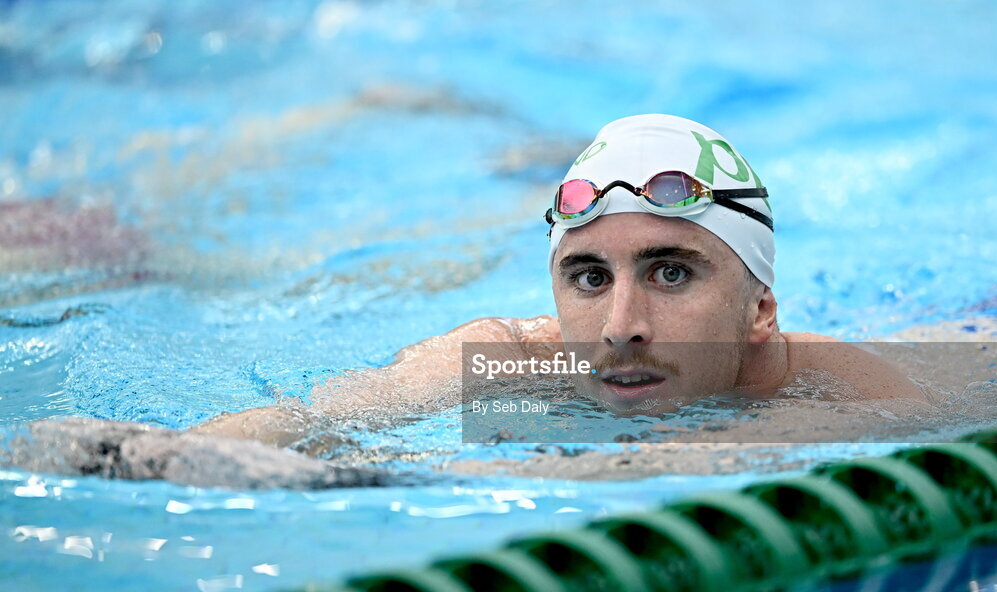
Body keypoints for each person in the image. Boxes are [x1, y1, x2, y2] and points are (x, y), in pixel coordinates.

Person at [190, 114, 925, 447]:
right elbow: (325, 418)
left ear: (760, 311)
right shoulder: (503, 357)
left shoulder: (857, 390)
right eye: (589, 276)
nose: (620, 326)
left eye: (671, 271)